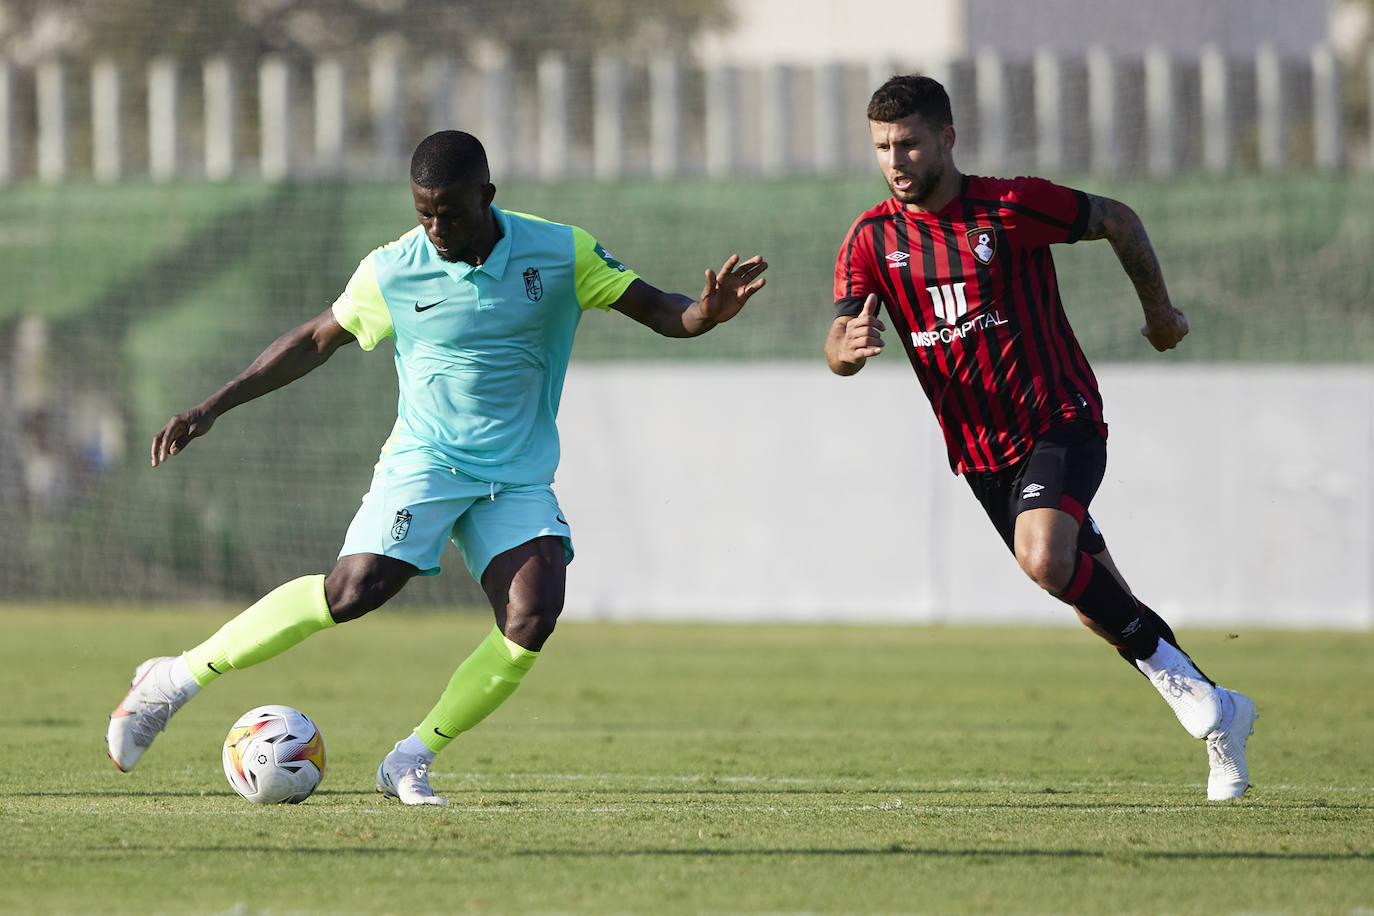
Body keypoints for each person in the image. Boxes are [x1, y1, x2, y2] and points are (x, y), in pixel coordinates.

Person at [107, 129, 768, 805]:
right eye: (423, 212)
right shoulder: (393, 269)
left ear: (487, 195)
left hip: (513, 477)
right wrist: (212, 406)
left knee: (533, 614)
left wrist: (704, 315)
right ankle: (174, 678)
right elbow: (314, 339)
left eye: (449, 212)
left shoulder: (560, 251)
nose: (435, 227)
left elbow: (662, 310)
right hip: (428, 461)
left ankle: (410, 759)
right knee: (353, 590)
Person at [826, 75, 1255, 801]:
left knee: (1043, 556)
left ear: (947, 139)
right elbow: (837, 345)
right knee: (1095, 598)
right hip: (980, 453)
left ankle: (1198, 700)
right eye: (881, 147)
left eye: (909, 143)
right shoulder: (873, 239)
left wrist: (1160, 314)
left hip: (1061, 418)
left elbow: (1117, 218)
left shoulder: (1009, 206)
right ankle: (1221, 716)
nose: (895, 160)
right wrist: (848, 345)